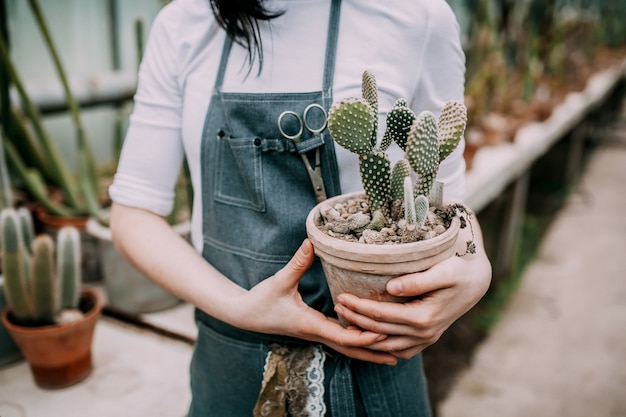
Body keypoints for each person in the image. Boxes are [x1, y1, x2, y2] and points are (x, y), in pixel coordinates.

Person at [109, 0, 492, 415]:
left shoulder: (417, 16)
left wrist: (477, 269)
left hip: (372, 364)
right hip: (231, 364)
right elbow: (134, 213)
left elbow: (447, 200)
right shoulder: (184, 24)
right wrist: (242, 307)